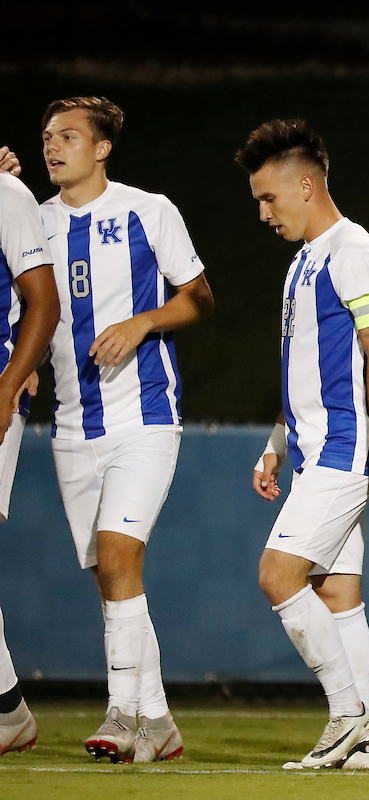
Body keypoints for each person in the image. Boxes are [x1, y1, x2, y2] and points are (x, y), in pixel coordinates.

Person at [39, 97, 214, 763]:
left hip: (143, 418)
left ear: (102, 147)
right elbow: (25, 307)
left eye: (70, 136)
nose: (55, 147)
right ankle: (159, 720)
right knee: (112, 580)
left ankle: (119, 715)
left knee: (118, 557)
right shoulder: (36, 222)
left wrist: (144, 322)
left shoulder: (148, 210)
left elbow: (200, 297)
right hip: (71, 427)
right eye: (48, 137)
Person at [236, 119, 369, 770]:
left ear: (305, 186)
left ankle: (345, 716)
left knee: (278, 576)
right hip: (311, 454)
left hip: (343, 453)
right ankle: (363, 748)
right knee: (338, 597)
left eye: (268, 198)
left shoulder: (352, 249)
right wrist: (277, 443)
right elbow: (305, 368)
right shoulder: (303, 262)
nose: (262, 213)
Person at [0, 153, 60, 757]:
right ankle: (9, 708)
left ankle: (9, 712)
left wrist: (10, 381)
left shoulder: (7, 195)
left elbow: (42, 301)